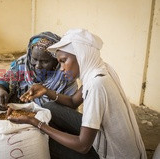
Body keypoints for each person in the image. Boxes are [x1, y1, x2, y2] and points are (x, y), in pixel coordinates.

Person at [8, 29, 147, 159]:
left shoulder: (96, 85)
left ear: (81, 56)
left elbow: (83, 145)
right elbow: (74, 101)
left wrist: (36, 123)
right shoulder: (99, 68)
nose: (61, 68)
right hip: (104, 137)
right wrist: (46, 91)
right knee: (51, 107)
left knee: (42, 139)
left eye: (63, 61)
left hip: (111, 154)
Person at [0, 31, 79, 111]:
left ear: (56, 60)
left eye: (45, 61)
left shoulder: (66, 73)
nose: (38, 66)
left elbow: (71, 106)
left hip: (52, 119)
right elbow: (1, 82)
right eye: (34, 59)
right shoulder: (22, 64)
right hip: (21, 112)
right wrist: (0, 91)